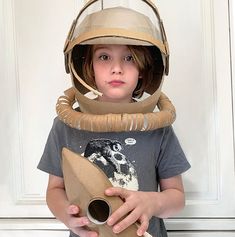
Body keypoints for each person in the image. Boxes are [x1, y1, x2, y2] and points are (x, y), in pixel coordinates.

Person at [38, 2, 190, 237]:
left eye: (129, 57)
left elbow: (177, 198)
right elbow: (55, 189)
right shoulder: (65, 127)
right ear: (88, 66)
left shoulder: (158, 129)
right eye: (104, 56)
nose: (116, 68)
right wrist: (67, 216)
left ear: (143, 68)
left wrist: (152, 202)